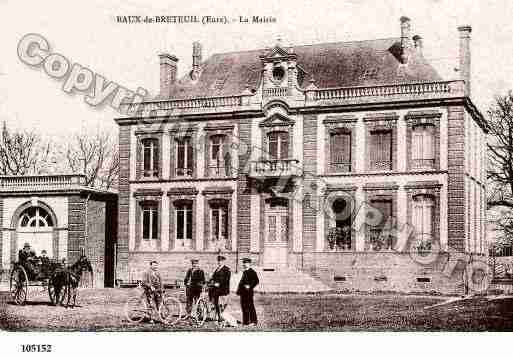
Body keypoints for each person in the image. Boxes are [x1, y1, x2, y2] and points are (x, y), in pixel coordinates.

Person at [236, 258, 259, 326]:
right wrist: (239, 291)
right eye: (244, 263)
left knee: (250, 306)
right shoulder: (244, 272)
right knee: (244, 307)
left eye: (246, 263)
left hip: (248, 293)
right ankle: (246, 321)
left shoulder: (252, 272)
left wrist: (250, 286)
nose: (245, 264)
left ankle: (254, 321)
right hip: (243, 293)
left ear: (249, 264)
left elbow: (256, 281)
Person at [209, 255, 231, 323]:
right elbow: (213, 277)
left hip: (223, 288)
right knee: (210, 291)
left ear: (224, 261)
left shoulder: (227, 269)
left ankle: (219, 315)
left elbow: (227, 280)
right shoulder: (217, 269)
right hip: (216, 287)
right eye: (218, 261)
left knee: (216, 297)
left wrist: (219, 284)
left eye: (221, 261)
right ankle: (214, 309)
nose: (219, 262)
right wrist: (211, 281)